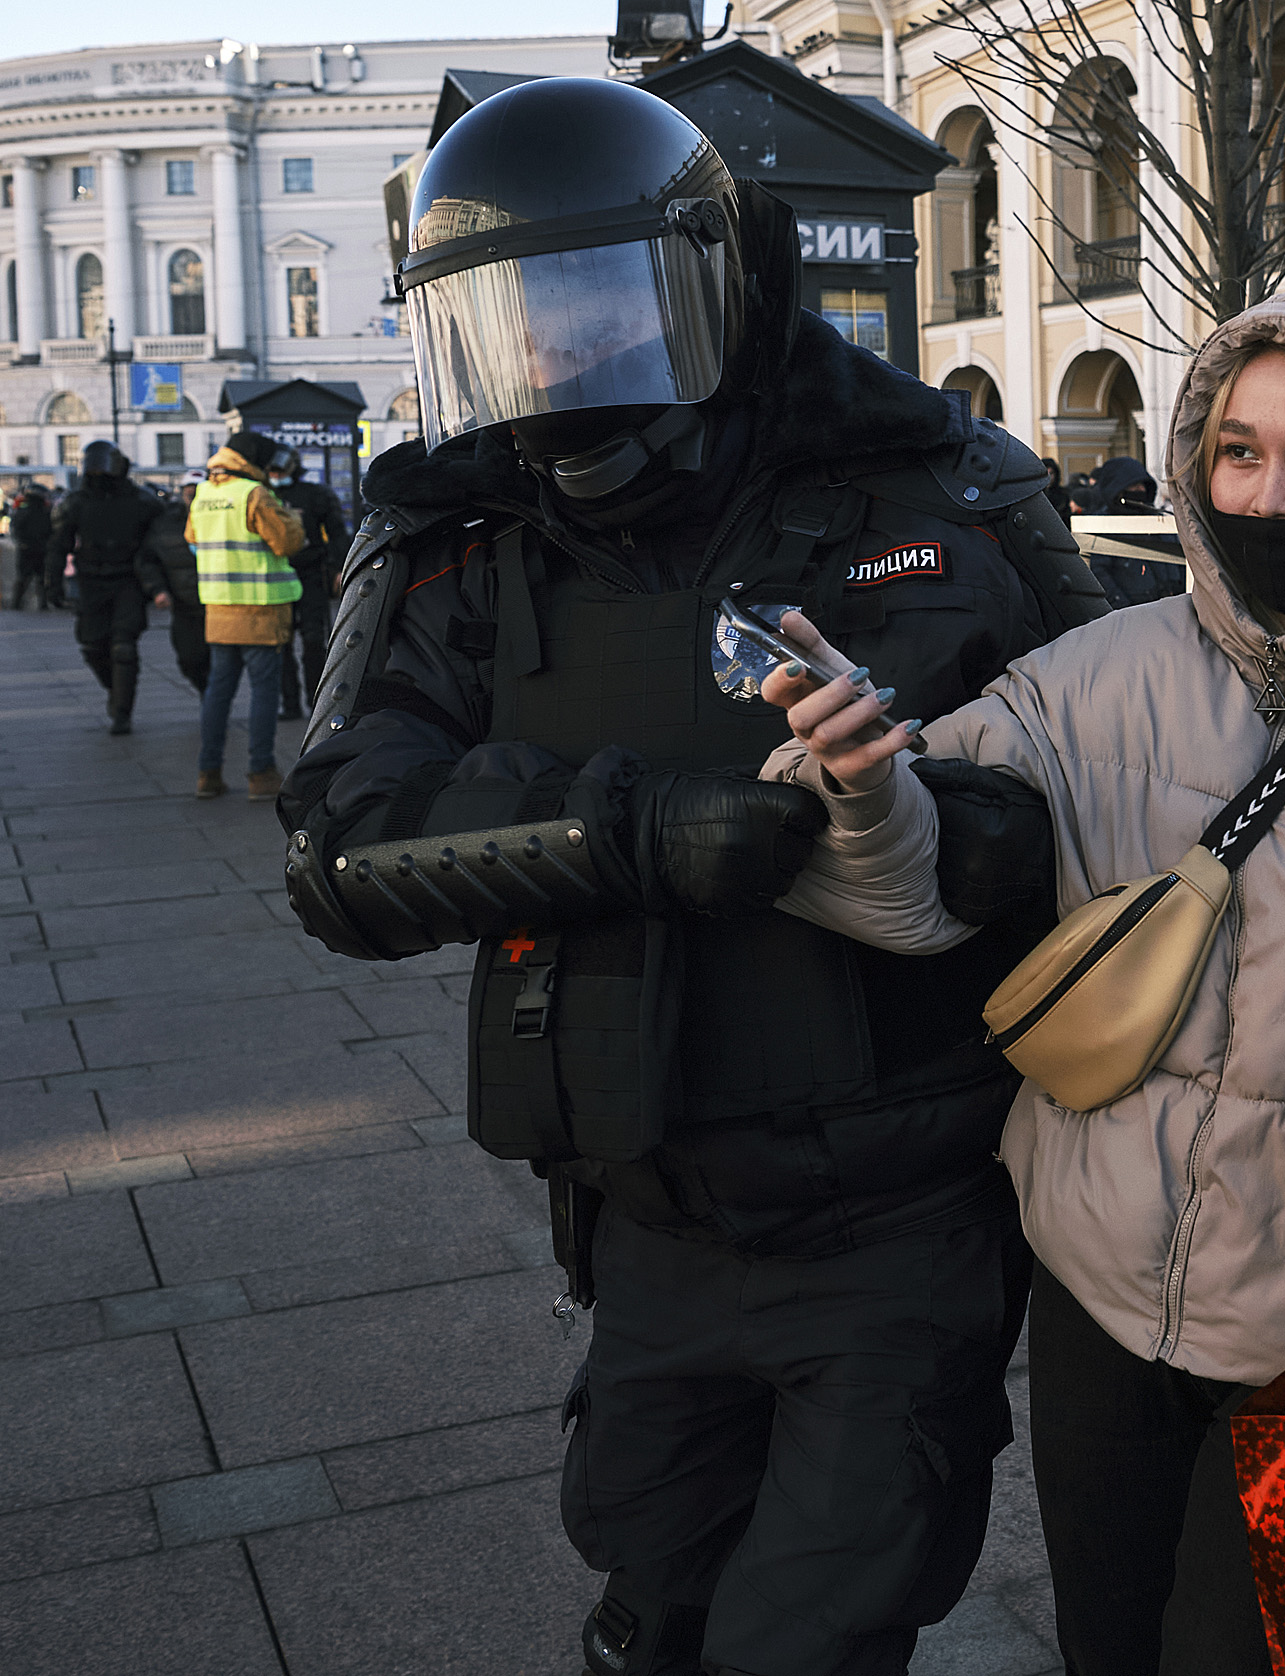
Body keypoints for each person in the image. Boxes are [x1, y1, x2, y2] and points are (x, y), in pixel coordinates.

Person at [275, 77, 1106, 1676]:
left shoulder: (950, 491)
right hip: (643, 1212)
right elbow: (337, 854)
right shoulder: (460, 544)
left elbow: (1113, 790)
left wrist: (919, 822)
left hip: (901, 1212)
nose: (555, 363)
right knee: (651, 1607)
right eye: (506, 323)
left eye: (597, 306)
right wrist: (639, 834)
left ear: (718, 284)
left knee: (813, 1633)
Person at [758, 286, 1285, 1676]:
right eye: (1237, 449)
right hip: (1097, 1298)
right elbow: (915, 888)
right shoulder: (1092, 675)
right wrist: (862, 792)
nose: (1268, 490)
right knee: (1112, 1645)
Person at [190, 431, 305, 800]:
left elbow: (191, 536)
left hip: (219, 609)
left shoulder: (204, 494)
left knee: (217, 693)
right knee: (263, 693)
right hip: (259, 610)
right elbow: (287, 542)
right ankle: (261, 773)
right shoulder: (253, 494)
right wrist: (293, 518)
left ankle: (208, 774)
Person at [48, 443, 163, 735]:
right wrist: (52, 583)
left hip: (129, 580)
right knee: (93, 646)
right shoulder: (77, 502)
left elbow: (161, 543)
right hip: (91, 581)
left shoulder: (142, 501)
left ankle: (122, 712)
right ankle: (116, 690)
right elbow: (58, 544)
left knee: (123, 647)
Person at [266, 445, 351, 722]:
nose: (275, 475)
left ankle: (316, 702)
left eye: (279, 471)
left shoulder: (314, 495)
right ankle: (291, 704)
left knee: (314, 641)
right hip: (279, 575)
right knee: (283, 644)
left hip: (311, 575)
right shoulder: (264, 495)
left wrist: (339, 567)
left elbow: (337, 532)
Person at [147, 473, 210, 693]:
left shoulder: (218, 518)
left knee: (217, 663)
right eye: (189, 491)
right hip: (183, 604)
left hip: (217, 603)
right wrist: (158, 590)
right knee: (188, 660)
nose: (192, 496)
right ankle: (209, 696)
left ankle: (213, 704)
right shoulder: (166, 522)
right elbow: (149, 558)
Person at [8, 485, 59, 610]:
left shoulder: (22, 511)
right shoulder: (46, 512)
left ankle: (17, 603)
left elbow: (16, 530)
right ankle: (42, 604)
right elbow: (52, 531)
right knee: (41, 578)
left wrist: (22, 542)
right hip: (41, 549)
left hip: (27, 549)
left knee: (24, 577)